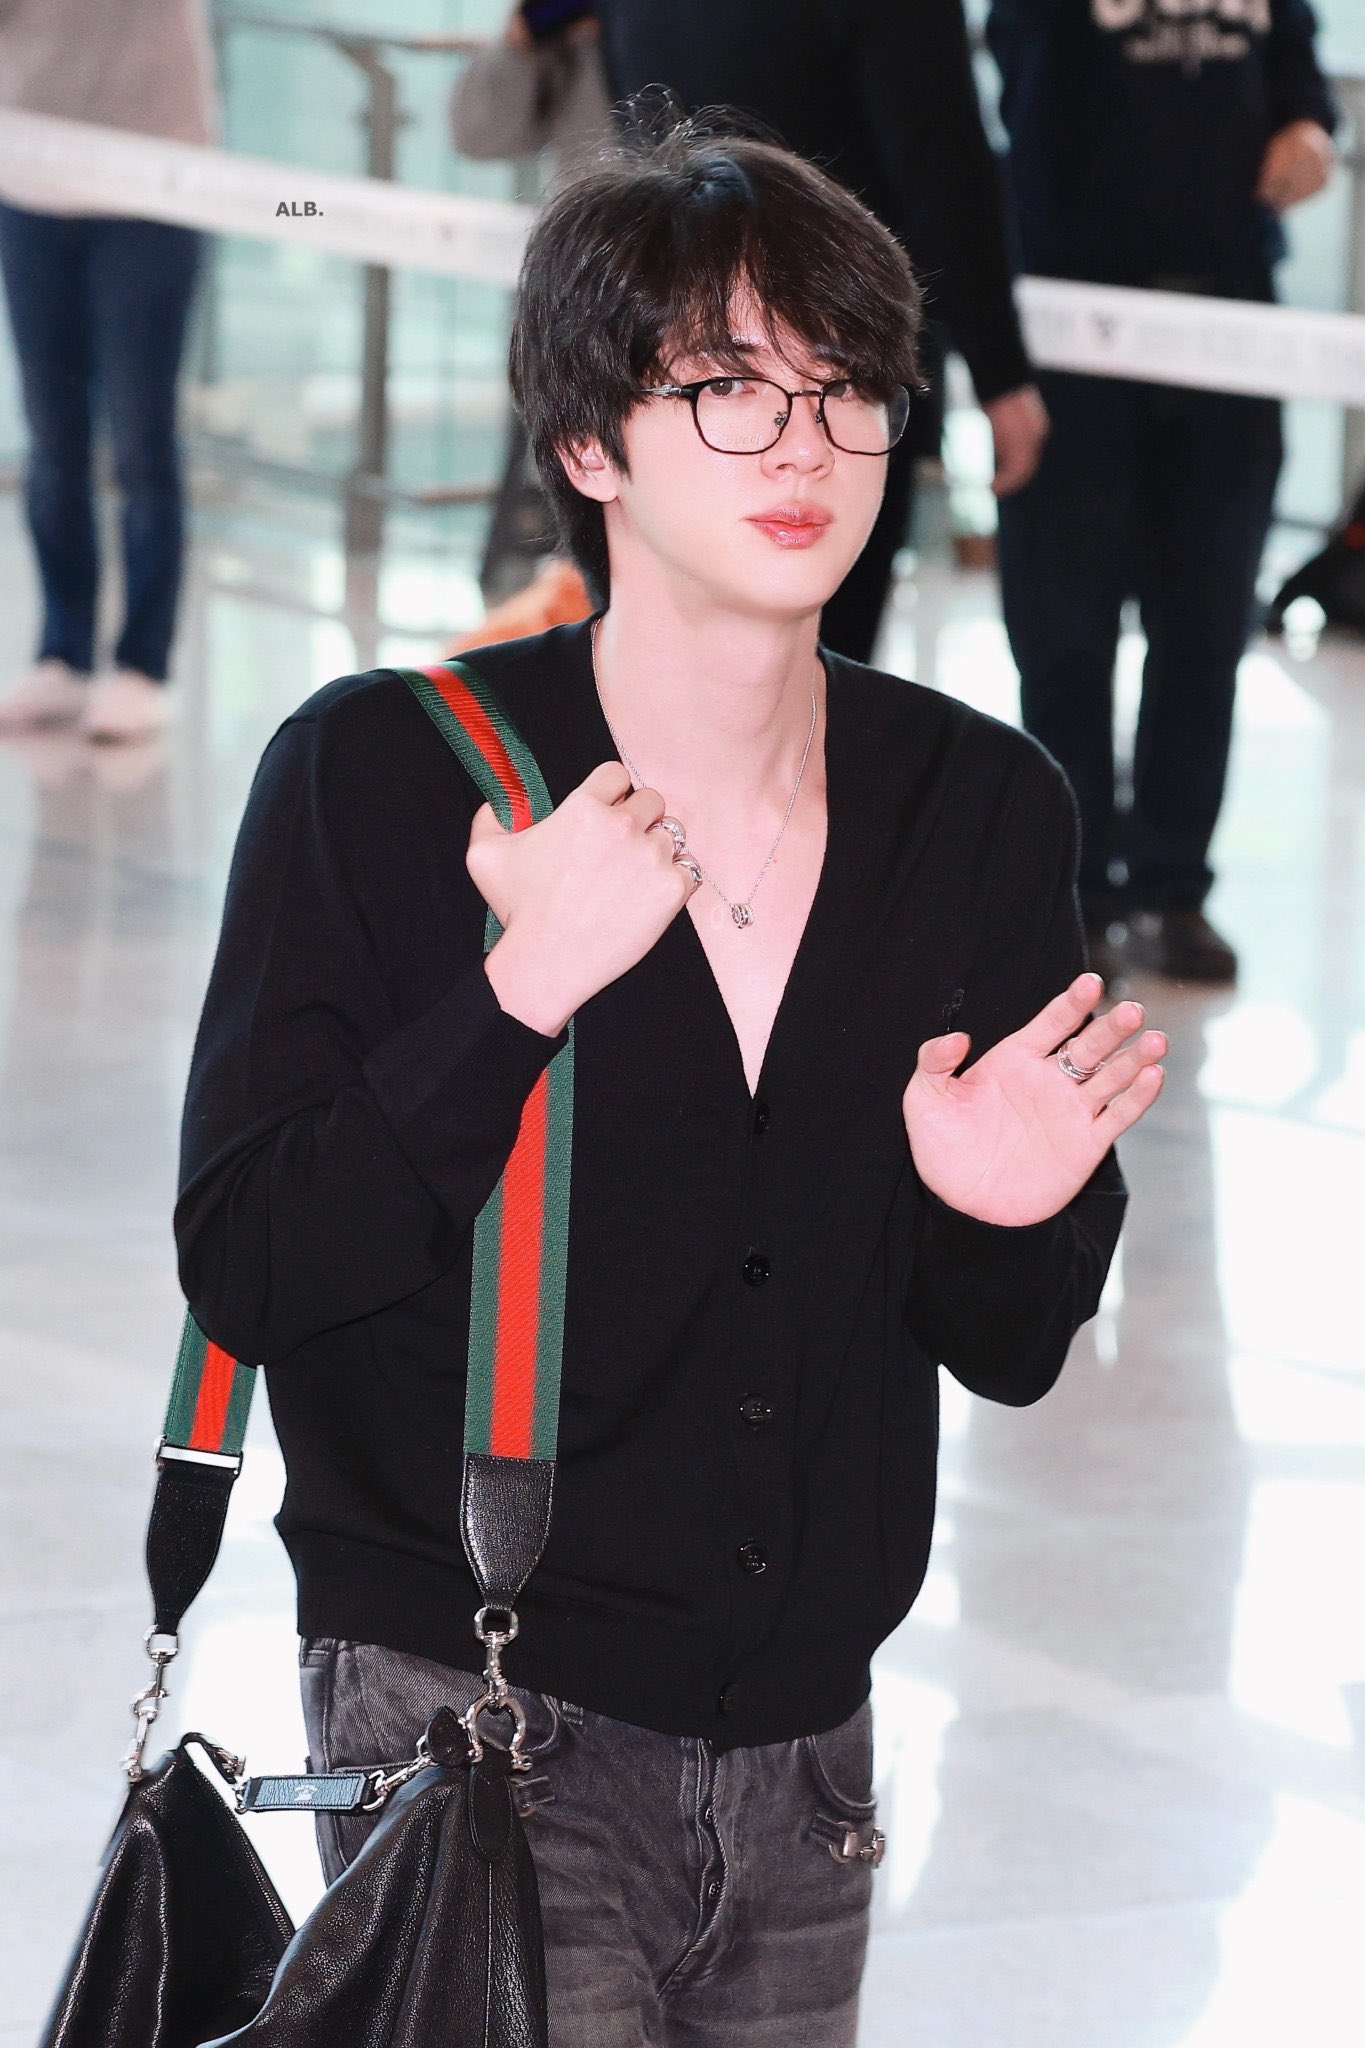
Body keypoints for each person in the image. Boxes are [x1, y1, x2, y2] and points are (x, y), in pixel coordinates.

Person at [176, 123, 1166, 2046]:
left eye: (846, 388)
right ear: (587, 444)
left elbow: (1013, 1346)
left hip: (814, 1758)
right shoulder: (381, 775)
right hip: (473, 1723)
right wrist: (517, 991)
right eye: (727, 389)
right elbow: (254, 1260)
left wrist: (1002, 1215)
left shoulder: (979, 807)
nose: (804, 446)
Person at [988, 0, 1337, 983]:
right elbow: (1025, 106)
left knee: (1207, 625)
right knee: (1066, 632)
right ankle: (1073, 890)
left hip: (1230, 323)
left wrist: (1309, 132)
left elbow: (1300, 79)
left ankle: (1173, 885)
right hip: (1076, 323)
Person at [593, 0, 1051, 663]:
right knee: (816, 654)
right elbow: (939, 160)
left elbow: (639, 150)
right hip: (831, 364)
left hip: (664, 362)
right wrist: (999, 372)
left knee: (671, 640)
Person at [0, 0, 213, 742]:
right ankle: (62, 651)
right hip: (30, 177)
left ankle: (142, 664)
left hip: (151, 185)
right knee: (51, 434)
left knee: (141, 435)